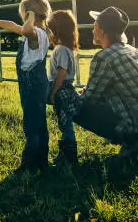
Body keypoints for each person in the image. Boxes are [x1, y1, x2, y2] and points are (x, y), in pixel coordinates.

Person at [74, 6, 138, 160]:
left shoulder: (104, 57)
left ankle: (134, 141)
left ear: (103, 31)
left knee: (74, 107)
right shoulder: (130, 50)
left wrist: (66, 97)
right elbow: (99, 89)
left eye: (95, 26)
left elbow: (89, 99)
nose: (92, 30)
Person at [0, 0, 51, 172]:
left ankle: (29, 166)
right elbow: (13, 26)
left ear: (29, 15)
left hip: (32, 85)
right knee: (39, 123)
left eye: (24, 15)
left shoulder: (37, 34)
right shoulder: (35, 32)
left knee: (31, 126)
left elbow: (26, 30)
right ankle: (42, 161)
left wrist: (30, 16)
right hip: (35, 83)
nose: (22, 19)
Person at [46, 10, 80, 166]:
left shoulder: (60, 50)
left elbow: (61, 72)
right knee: (65, 122)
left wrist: (53, 92)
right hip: (66, 89)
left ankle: (68, 156)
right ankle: (67, 154)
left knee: (65, 124)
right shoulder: (67, 48)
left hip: (62, 90)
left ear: (55, 30)